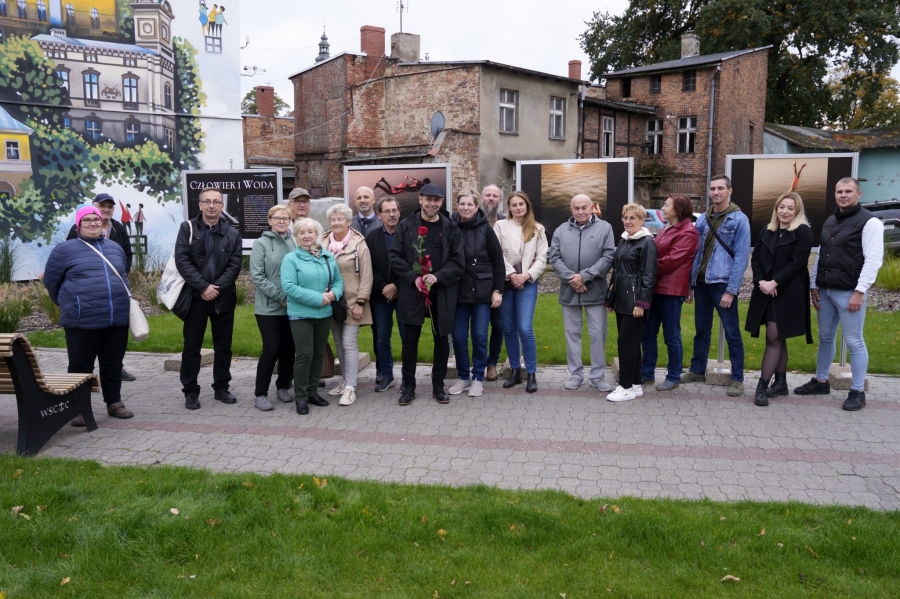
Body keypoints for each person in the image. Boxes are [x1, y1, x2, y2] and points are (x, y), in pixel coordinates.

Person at [794, 177, 885, 411]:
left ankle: (857, 391)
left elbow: (873, 260)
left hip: (849, 293)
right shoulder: (830, 220)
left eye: (848, 191)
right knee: (825, 338)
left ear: (858, 194)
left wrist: (860, 291)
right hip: (825, 291)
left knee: (854, 341)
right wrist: (814, 284)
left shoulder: (870, 222)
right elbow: (822, 253)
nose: (843, 195)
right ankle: (821, 380)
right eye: (839, 191)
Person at [44, 205, 134, 424]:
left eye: (96, 219)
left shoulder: (114, 248)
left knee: (113, 363)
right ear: (78, 225)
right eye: (87, 220)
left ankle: (114, 402)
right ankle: (78, 408)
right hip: (82, 320)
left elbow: (122, 276)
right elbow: (51, 282)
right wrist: (72, 303)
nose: (93, 223)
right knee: (80, 366)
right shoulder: (64, 250)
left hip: (116, 318)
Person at [389, 182, 464, 406]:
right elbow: (395, 256)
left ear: (441, 203)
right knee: (410, 339)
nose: (432, 203)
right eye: (428, 199)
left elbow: (458, 262)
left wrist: (438, 276)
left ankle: (438, 386)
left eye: (436, 200)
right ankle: (408, 387)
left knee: (441, 338)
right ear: (420, 199)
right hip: (413, 290)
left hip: (441, 290)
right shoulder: (406, 225)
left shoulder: (450, 228)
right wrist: (413, 277)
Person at [174, 187, 242, 410]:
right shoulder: (188, 228)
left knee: (224, 346)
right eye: (207, 201)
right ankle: (190, 391)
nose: (212, 206)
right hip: (195, 298)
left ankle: (221, 387)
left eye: (216, 202)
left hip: (223, 299)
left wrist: (217, 288)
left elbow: (235, 264)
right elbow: (182, 261)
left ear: (222, 206)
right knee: (191, 347)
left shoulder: (232, 233)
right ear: (200, 205)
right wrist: (203, 287)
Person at [682, 175, 751, 396]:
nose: (716, 192)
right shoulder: (703, 219)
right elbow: (695, 253)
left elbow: (741, 258)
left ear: (729, 191)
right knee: (701, 330)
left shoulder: (739, 220)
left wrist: (731, 291)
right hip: (702, 283)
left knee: (732, 332)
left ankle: (737, 378)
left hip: (722, 284)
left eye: (720, 188)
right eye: (712, 189)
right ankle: (697, 369)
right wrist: (690, 284)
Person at [744, 192, 813, 407]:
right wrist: (762, 282)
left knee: (773, 336)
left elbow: (798, 263)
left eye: (790, 208)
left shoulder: (803, 232)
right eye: (781, 207)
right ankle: (781, 383)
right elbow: (755, 259)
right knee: (777, 336)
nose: (784, 211)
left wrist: (775, 282)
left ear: (797, 211)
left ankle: (762, 386)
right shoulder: (767, 230)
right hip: (765, 291)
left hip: (788, 292)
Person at [65, 193, 138, 382]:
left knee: (113, 345)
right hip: (86, 303)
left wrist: (121, 273)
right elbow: (64, 263)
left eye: (109, 207)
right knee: (82, 352)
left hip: (113, 295)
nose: (106, 209)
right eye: (102, 206)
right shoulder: (77, 230)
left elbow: (127, 253)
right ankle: (79, 389)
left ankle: (116, 372)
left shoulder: (119, 228)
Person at [548, 193, 616, 392]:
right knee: (572, 333)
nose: (580, 212)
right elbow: (554, 258)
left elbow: (608, 255)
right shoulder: (561, 230)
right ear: (571, 210)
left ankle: (597, 376)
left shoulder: (605, 228)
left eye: (584, 207)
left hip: (595, 290)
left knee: (597, 333)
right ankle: (576, 375)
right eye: (576, 208)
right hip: (569, 291)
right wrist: (573, 279)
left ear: (591, 207)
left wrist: (585, 276)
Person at [282, 218, 342, 415]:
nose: (306, 235)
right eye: (301, 232)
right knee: (304, 355)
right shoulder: (291, 259)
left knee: (318, 355)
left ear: (317, 234)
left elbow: (338, 281)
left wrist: (334, 294)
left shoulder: (327, 257)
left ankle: (312, 392)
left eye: (310, 232)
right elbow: (289, 287)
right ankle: (300, 397)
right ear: (296, 236)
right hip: (301, 314)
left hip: (324, 314)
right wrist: (319, 298)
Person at [640, 194, 700, 391]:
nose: (663, 208)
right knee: (648, 333)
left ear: (678, 209)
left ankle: (673, 376)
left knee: (671, 335)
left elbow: (672, 261)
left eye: (666, 205)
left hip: (671, 291)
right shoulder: (667, 227)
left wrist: (645, 267)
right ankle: (646, 373)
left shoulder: (688, 232)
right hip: (655, 288)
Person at [449, 190, 505, 397]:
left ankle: (478, 378)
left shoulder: (486, 230)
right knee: (458, 337)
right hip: (458, 293)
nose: (465, 208)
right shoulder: (450, 227)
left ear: (476, 206)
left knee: (480, 336)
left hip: (482, 292)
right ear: (457, 206)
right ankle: (464, 377)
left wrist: (498, 290)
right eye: (462, 204)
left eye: (469, 204)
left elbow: (498, 263)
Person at [493, 191, 548, 393]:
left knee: (524, 328)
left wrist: (526, 276)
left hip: (528, 282)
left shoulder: (537, 229)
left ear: (527, 206)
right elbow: (497, 253)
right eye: (514, 205)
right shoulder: (500, 226)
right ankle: (515, 370)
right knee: (509, 328)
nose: (518, 208)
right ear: (509, 207)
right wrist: (512, 275)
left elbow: (542, 258)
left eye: (521, 204)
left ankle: (531, 373)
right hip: (507, 282)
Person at [606, 203, 658, 402]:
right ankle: (635, 384)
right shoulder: (625, 240)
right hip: (622, 299)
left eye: (632, 218)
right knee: (633, 344)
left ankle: (625, 386)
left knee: (626, 343)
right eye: (625, 218)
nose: (628, 222)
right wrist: (611, 298)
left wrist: (642, 303)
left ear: (642, 220)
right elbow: (618, 270)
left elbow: (649, 276)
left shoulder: (646, 243)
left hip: (635, 302)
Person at [323, 203, 373, 407]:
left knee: (349, 342)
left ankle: (351, 387)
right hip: (331, 301)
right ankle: (344, 380)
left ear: (348, 221)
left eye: (340, 219)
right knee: (338, 342)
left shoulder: (359, 243)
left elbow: (367, 275)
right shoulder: (323, 241)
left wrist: (361, 301)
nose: (336, 222)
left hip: (353, 302)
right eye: (333, 219)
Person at [249, 205, 297, 411]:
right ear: (269, 221)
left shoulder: (294, 241)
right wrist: (280, 296)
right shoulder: (261, 244)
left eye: (285, 218)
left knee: (290, 348)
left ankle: (283, 386)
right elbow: (257, 276)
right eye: (277, 218)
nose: (281, 221)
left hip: (293, 306)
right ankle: (260, 394)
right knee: (271, 349)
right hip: (269, 308)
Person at [366, 196, 405, 392]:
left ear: (399, 212)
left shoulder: (408, 235)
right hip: (381, 295)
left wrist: (397, 285)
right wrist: (385, 287)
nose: (392, 214)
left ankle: (408, 376)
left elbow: (415, 264)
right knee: (382, 337)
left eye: (395, 210)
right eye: (387, 211)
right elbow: (368, 267)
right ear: (379, 215)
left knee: (408, 337)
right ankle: (387, 375)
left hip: (405, 293)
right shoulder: (372, 238)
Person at [481, 184, 505, 381]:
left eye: (494, 196)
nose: (491, 198)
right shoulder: (473, 221)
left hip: (499, 283)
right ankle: (476, 363)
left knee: (498, 325)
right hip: (476, 285)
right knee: (475, 328)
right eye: (487, 195)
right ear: (481, 198)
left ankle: (491, 363)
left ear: (500, 200)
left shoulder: (507, 223)